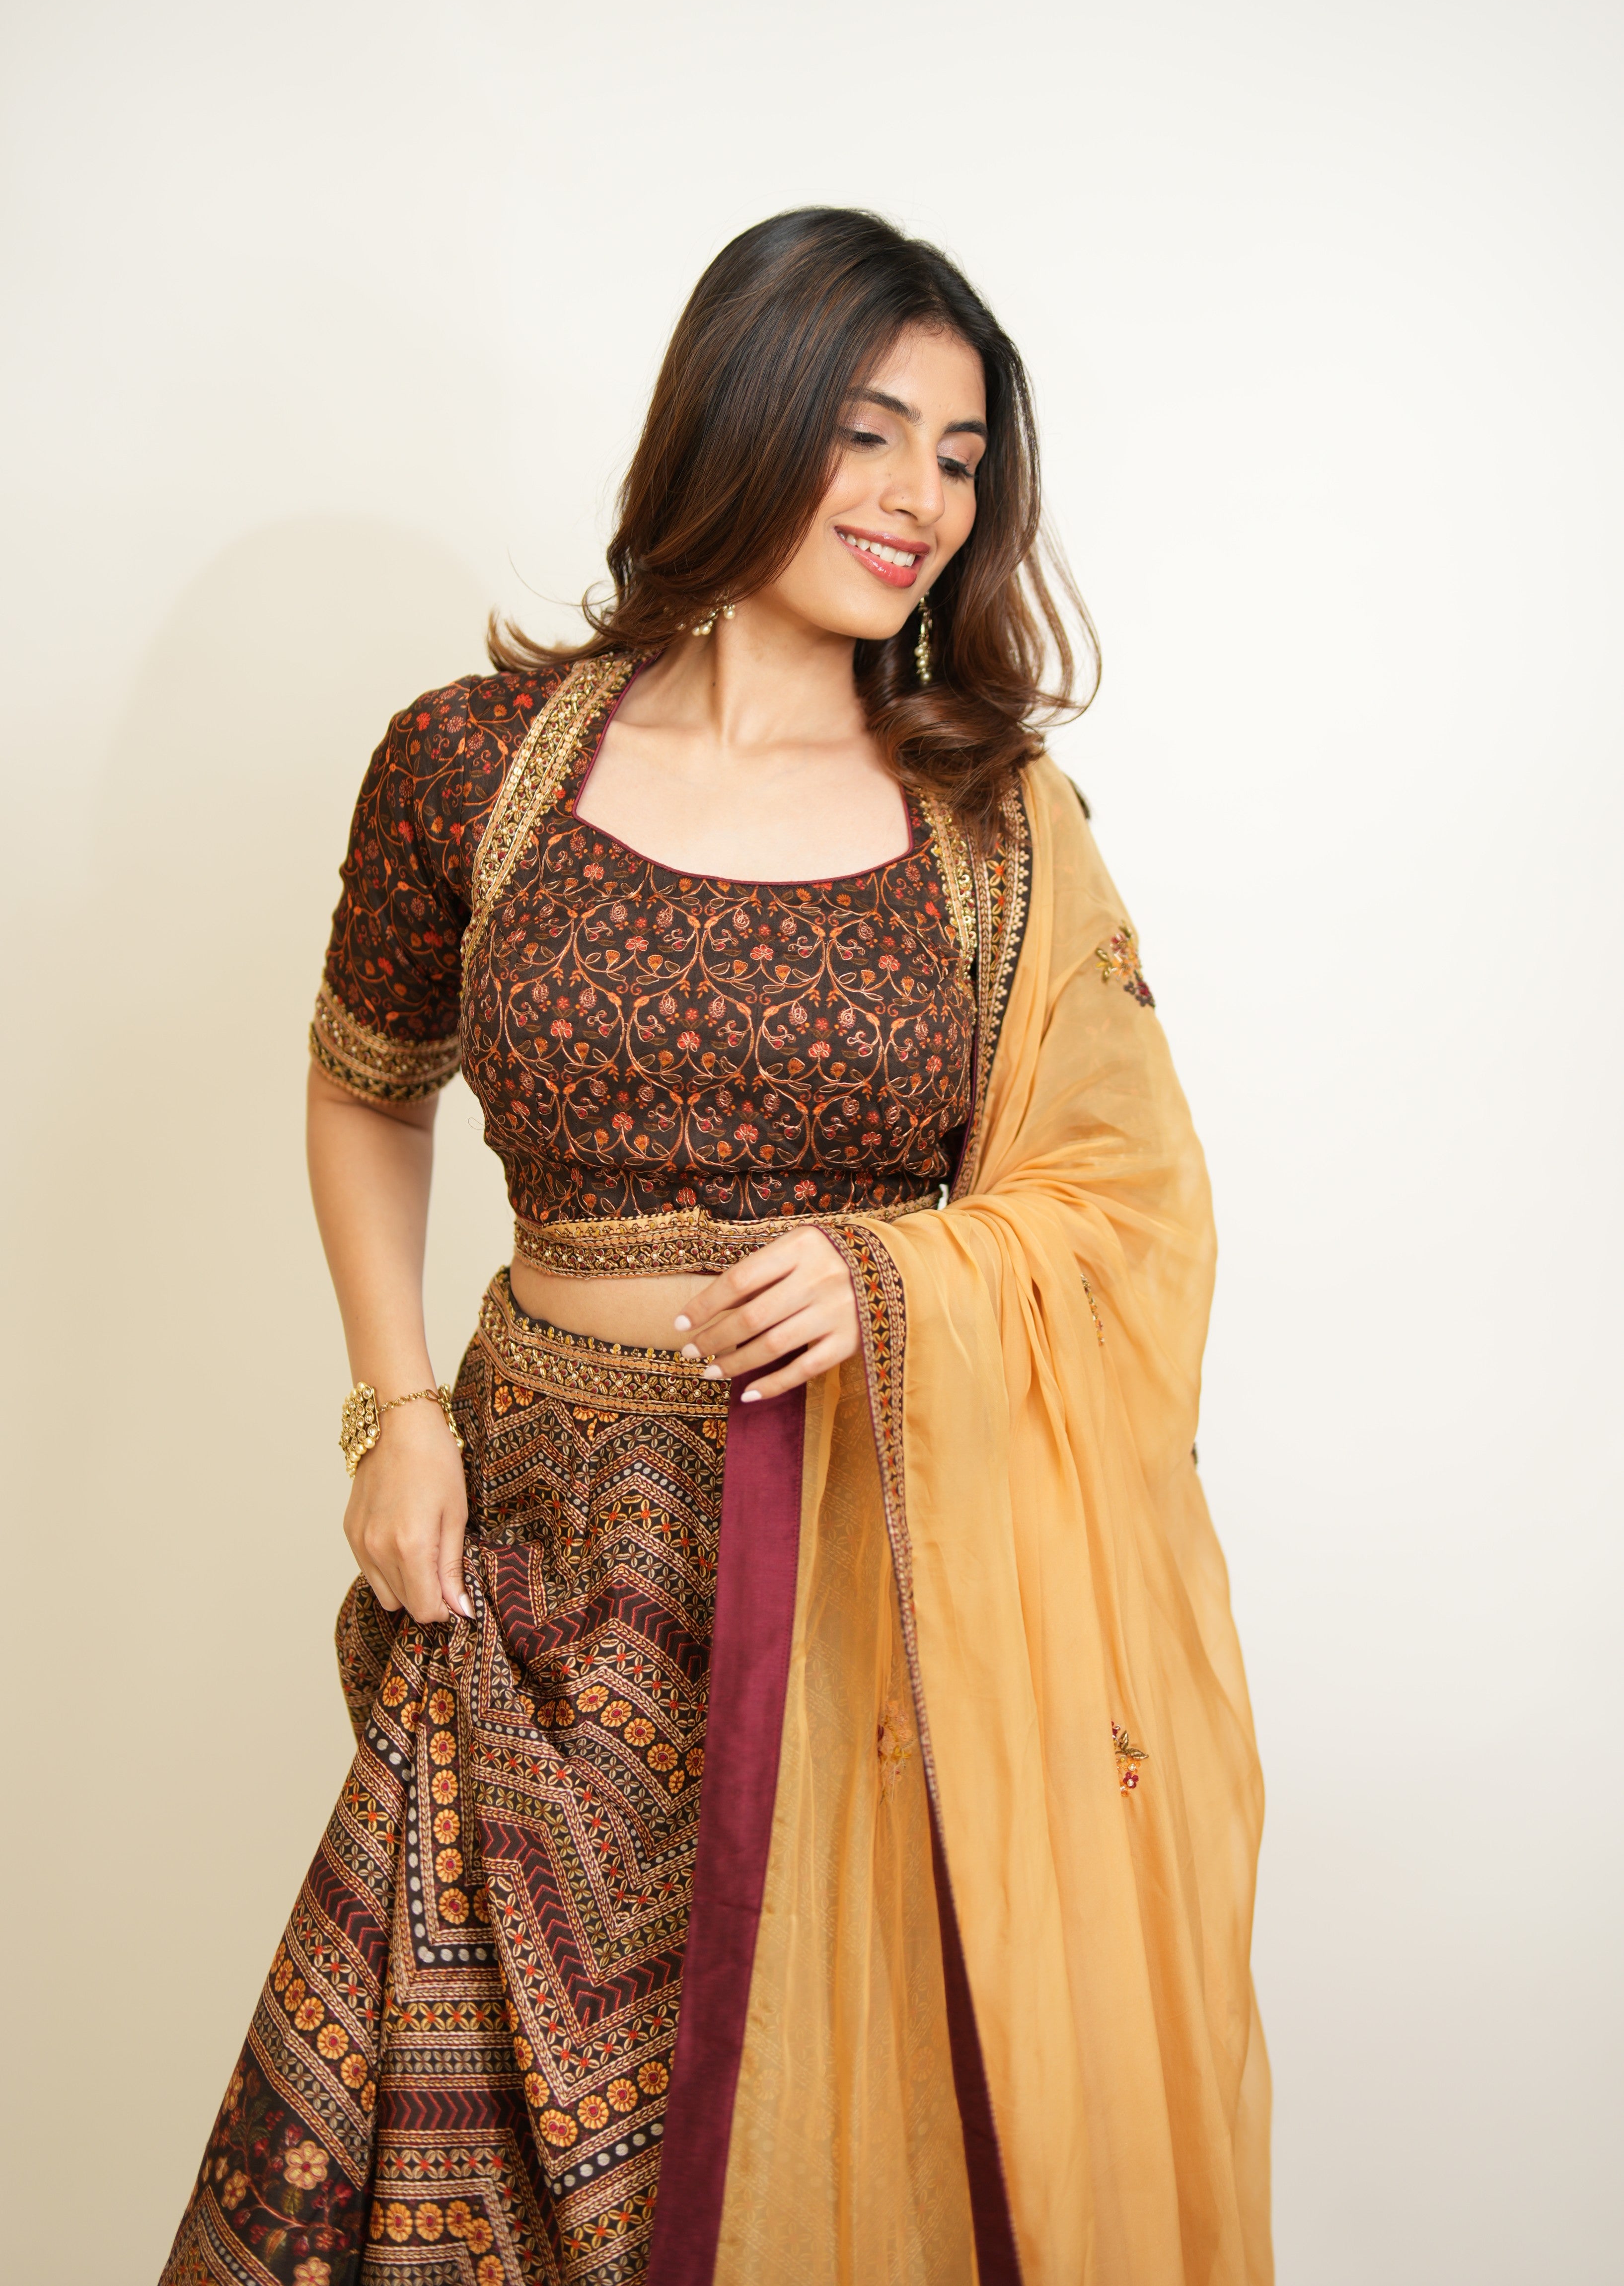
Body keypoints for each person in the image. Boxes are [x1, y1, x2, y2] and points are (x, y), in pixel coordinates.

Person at [162, 208, 1270, 2286]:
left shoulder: (993, 825)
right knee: (441, 2153)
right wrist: (391, 1410)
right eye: (871, 433)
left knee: (802, 2148)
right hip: (525, 1552)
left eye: (959, 458)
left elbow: (1129, 1204)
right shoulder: (472, 771)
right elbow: (362, 1080)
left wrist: (886, 1280)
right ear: (740, 416)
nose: (919, 502)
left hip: (850, 1584)